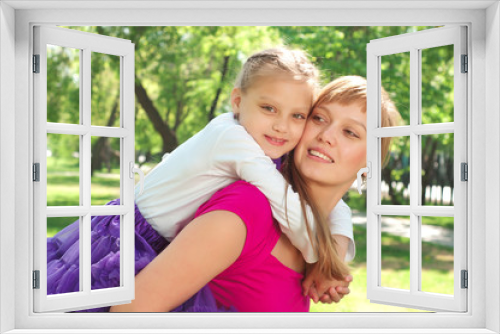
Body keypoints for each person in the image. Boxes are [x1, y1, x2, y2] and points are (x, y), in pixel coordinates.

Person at [47, 48, 355, 309]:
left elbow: (334, 205)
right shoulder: (232, 139)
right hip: (126, 238)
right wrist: (322, 261)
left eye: (297, 116)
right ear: (237, 101)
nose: (281, 126)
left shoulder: (264, 141)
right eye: (268, 108)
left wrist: (337, 253)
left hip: (162, 246)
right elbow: (284, 201)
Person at [110, 75, 400, 312]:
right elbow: (128, 316)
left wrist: (329, 259)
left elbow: (338, 212)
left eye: (351, 133)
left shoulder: (323, 226)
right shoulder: (246, 209)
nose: (326, 135)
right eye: (319, 118)